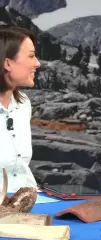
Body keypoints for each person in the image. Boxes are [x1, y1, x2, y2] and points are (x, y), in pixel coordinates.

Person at [0, 25, 41, 192]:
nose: (37, 63)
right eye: (31, 56)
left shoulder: (23, 103)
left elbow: (21, 169)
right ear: (7, 63)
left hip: (28, 203)